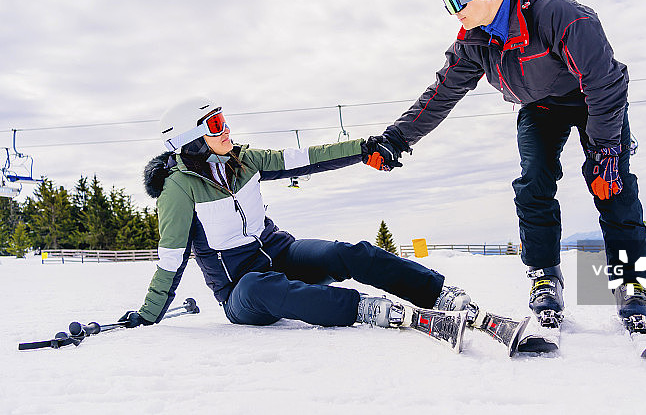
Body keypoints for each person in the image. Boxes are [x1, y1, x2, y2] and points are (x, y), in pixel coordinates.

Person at [368, 0, 646, 329]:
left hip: (596, 102)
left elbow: (604, 84)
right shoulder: (475, 40)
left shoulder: (560, 14)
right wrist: (396, 139)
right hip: (541, 108)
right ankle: (544, 277)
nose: (454, 10)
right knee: (534, 182)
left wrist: (605, 152)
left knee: (611, 186)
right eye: (446, 0)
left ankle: (631, 283)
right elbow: (441, 93)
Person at [119, 97, 472, 330]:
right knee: (262, 284)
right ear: (191, 138)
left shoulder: (245, 160)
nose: (226, 129)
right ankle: (363, 309)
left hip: (280, 251)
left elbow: (304, 158)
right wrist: (149, 315)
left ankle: (437, 293)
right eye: (214, 125)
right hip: (241, 290)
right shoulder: (178, 188)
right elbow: (170, 258)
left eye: (223, 120)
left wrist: (363, 149)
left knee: (345, 253)